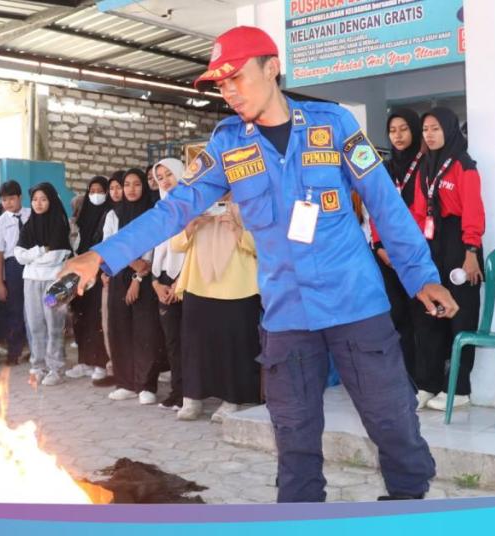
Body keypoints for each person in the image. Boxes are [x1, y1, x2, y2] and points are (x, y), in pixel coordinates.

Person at [60, 26, 457, 503]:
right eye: (219, 84)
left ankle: (409, 505)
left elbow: (385, 204)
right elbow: (174, 210)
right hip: (288, 316)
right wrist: (100, 255)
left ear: (272, 69)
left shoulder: (333, 124)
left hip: (357, 306)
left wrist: (421, 277)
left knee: (394, 426)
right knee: (294, 443)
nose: (228, 92)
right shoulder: (229, 144)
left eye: (236, 78)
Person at [410, 107, 485, 412]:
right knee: (429, 316)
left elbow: (473, 211)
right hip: (431, 244)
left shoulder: (464, 165)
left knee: (460, 316)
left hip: (459, 244)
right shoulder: (424, 165)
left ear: (450, 130)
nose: (430, 134)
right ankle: (428, 384)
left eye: (436, 128)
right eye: (426, 129)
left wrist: (472, 252)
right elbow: (417, 211)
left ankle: (460, 388)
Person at [170, 198, 261, 422]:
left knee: (233, 347)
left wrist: (238, 229)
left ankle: (232, 400)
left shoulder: (249, 205)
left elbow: (264, 246)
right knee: (195, 345)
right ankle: (192, 397)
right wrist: (191, 226)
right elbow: (176, 245)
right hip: (197, 284)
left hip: (238, 287)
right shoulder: (196, 205)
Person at [101, 168, 164, 405]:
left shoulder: (152, 213)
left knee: (145, 332)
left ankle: (146, 384)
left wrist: (138, 276)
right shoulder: (113, 215)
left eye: (137, 184)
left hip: (146, 277)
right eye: (127, 184)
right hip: (119, 274)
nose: (131, 189)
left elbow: (154, 244)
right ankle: (125, 383)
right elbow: (109, 244)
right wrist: (131, 261)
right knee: (120, 330)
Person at [371, 109, 425, 378]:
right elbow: (375, 209)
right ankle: (401, 377)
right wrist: (380, 246)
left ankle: (422, 379)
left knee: (421, 320)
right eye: (393, 131)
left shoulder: (425, 166)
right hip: (387, 256)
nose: (398, 135)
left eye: (404, 129)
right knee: (396, 318)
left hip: (416, 255)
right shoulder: (385, 168)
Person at [15, 183, 73, 385]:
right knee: (35, 324)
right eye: (35, 199)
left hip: (54, 282)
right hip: (31, 281)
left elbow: (57, 256)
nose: (38, 204)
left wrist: (32, 256)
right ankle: (37, 366)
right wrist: (41, 250)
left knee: (54, 325)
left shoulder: (59, 223)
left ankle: (55, 368)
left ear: (51, 201)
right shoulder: (29, 224)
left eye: (43, 199)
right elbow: (18, 255)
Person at [151, 158, 187, 410]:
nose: (165, 180)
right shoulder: (161, 208)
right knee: (172, 341)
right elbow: (156, 248)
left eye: (169, 174)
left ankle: (190, 394)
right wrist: (155, 283)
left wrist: (180, 282)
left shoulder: (194, 206)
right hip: (162, 278)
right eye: (160, 176)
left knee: (190, 340)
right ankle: (177, 392)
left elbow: (195, 250)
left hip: (187, 279)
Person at [67, 176, 111, 382]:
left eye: (100, 190)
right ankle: (84, 361)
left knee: (96, 320)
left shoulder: (109, 215)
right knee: (80, 318)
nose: (95, 195)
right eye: (91, 191)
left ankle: (100, 363)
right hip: (80, 275)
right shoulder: (82, 218)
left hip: (99, 273)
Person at [0, 181, 31, 365]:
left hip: (33, 263)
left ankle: (35, 349)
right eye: (4, 200)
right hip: (13, 266)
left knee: (36, 306)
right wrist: (0, 282)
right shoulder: (0, 223)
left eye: (11, 198)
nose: (8, 203)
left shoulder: (32, 214)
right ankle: (14, 352)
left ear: (20, 197)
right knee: (15, 309)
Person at [94, 172, 125, 388]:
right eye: (112, 187)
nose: (116, 192)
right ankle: (115, 368)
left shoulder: (143, 213)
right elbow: (106, 245)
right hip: (112, 275)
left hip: (133, 276)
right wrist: (104, 272)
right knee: (110, 323)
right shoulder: (111, 215)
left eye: (119, 187)